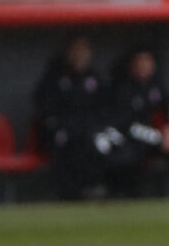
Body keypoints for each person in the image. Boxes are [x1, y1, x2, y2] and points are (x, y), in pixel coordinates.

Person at [33, 34, 114, 200]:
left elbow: (104, 108)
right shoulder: (55, 77)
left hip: (90, 132)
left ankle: (98, 189)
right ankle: (71, 195)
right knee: (70, 148)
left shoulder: (95, 78)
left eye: (83, 50)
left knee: (101, 146)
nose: (80, 55)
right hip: (62, 132)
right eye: (76, 50)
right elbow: (44, 107)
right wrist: (58, 127)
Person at [107, 45, 169, 197]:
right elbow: (126, 125)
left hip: (152, 138)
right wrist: (158, 138)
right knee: (128, 157)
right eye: (141, 61)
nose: (145, 65)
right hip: (130, 138)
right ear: (132, 65)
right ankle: (133, 199)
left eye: (148, 61)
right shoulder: (123, 88)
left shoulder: (155, 85)